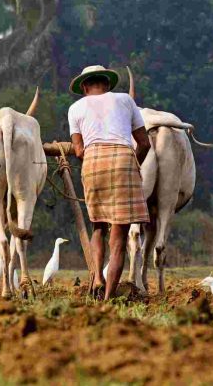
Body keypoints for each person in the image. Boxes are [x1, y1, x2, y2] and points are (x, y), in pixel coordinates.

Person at [68, 65, 150, 299]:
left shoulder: (75, 108)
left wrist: (96, 154)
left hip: (93, 163)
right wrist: (132, 166)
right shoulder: (125, 100)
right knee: (119, 237)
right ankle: (108, 298)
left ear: (84, 87)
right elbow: (144, 143)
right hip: (124, 161)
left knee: (98, 224)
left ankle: (98, 278)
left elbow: (78, 150)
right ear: (107, 85)